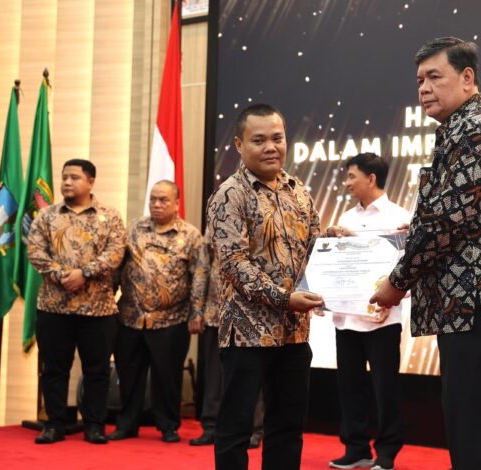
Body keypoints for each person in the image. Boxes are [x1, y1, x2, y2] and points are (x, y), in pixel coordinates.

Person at [370, 37, 481, 470]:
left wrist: (397, 281)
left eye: (434, 77)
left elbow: (446, 220)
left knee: (476, 440)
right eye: (419, 80)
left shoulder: (476, 126)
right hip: (480, 309)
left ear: (467, 78)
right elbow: (459, 214)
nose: (424, 88)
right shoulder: (463, 125)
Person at [205, 103, 324, 470]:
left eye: (277, 138)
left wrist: (337, 243)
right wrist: (285, 299)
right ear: (239, 144)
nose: (271, 147)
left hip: (293, 332)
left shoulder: (298, 190)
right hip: (247, 333)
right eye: (259, 140)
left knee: (287, 427)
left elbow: (313, 247)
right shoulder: (230, 194)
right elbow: (234, 264)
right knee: (236, 428)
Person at [27, 159, 126, 444]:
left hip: (98, 309)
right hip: (54, 307)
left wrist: (84, 273)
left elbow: (115, 253)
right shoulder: (46, 216)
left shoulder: (110, 216)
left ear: (90, 182)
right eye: (64, 177)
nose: (67, 182)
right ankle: (54, 424)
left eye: (74, 177)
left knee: (97, 370)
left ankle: (94, 425)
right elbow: (35, 252)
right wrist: (62, 276)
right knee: (54, 369)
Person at [325, 153, 410, 470]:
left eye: (351, 176)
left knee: (385, 389)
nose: (347, 183)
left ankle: (387, 451)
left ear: (371, 178)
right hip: (346, 317)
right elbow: (338, 265)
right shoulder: (345, 219)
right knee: (349, 385)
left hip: (382, 319)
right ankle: (355, 447)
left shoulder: (399, 216)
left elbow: (409, 268)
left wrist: (394, 298)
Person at [107, 180, 206, 443]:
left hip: (170, 320)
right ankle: (127, 424)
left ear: (176, 203)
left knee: (167, 377)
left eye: (163, 200)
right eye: (153, 199)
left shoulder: (190, 235)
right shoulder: (134, 228)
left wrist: (197, 313)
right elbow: (117, 266)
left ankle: (168, 426)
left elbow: (199, 276)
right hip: (130, 317)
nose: (157, 204)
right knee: (128, 374)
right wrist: (108, 300)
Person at [190, 244, 265, 449]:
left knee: (250, 375)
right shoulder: (215, 226)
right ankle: (211, 427)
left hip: (253, 315)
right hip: (216, 313)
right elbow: (202, 270)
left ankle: (254, 430)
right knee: (213, 377)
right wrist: (197, 310)